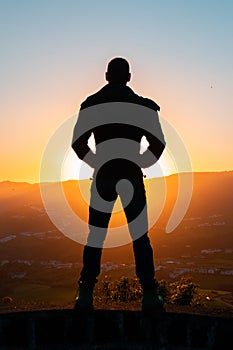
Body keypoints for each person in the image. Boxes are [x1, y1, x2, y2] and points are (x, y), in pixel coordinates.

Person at [72, 57, 166, 312]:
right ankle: (149, 294)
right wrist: (141, 163)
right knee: (140, 238)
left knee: (96, 236)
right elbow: (158, 143)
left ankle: (85, 294)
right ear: (129, 77)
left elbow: (77, 143)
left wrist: (96, 162)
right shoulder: (143, 106)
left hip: (103, 176)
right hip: (131, 176)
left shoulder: (91, 105)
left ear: (106, 76)